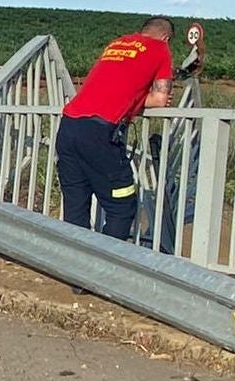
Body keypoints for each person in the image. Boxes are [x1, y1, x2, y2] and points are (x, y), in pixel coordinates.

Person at [56, 16, 175, 242]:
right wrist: (146, 97)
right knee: (122, 203)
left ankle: (75, 263)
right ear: (166, 38)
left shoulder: (117, 43)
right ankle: (106, 264)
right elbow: (160, 99)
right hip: (99, 133)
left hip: (69, 126)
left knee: (76, 205)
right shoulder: (160, 49)